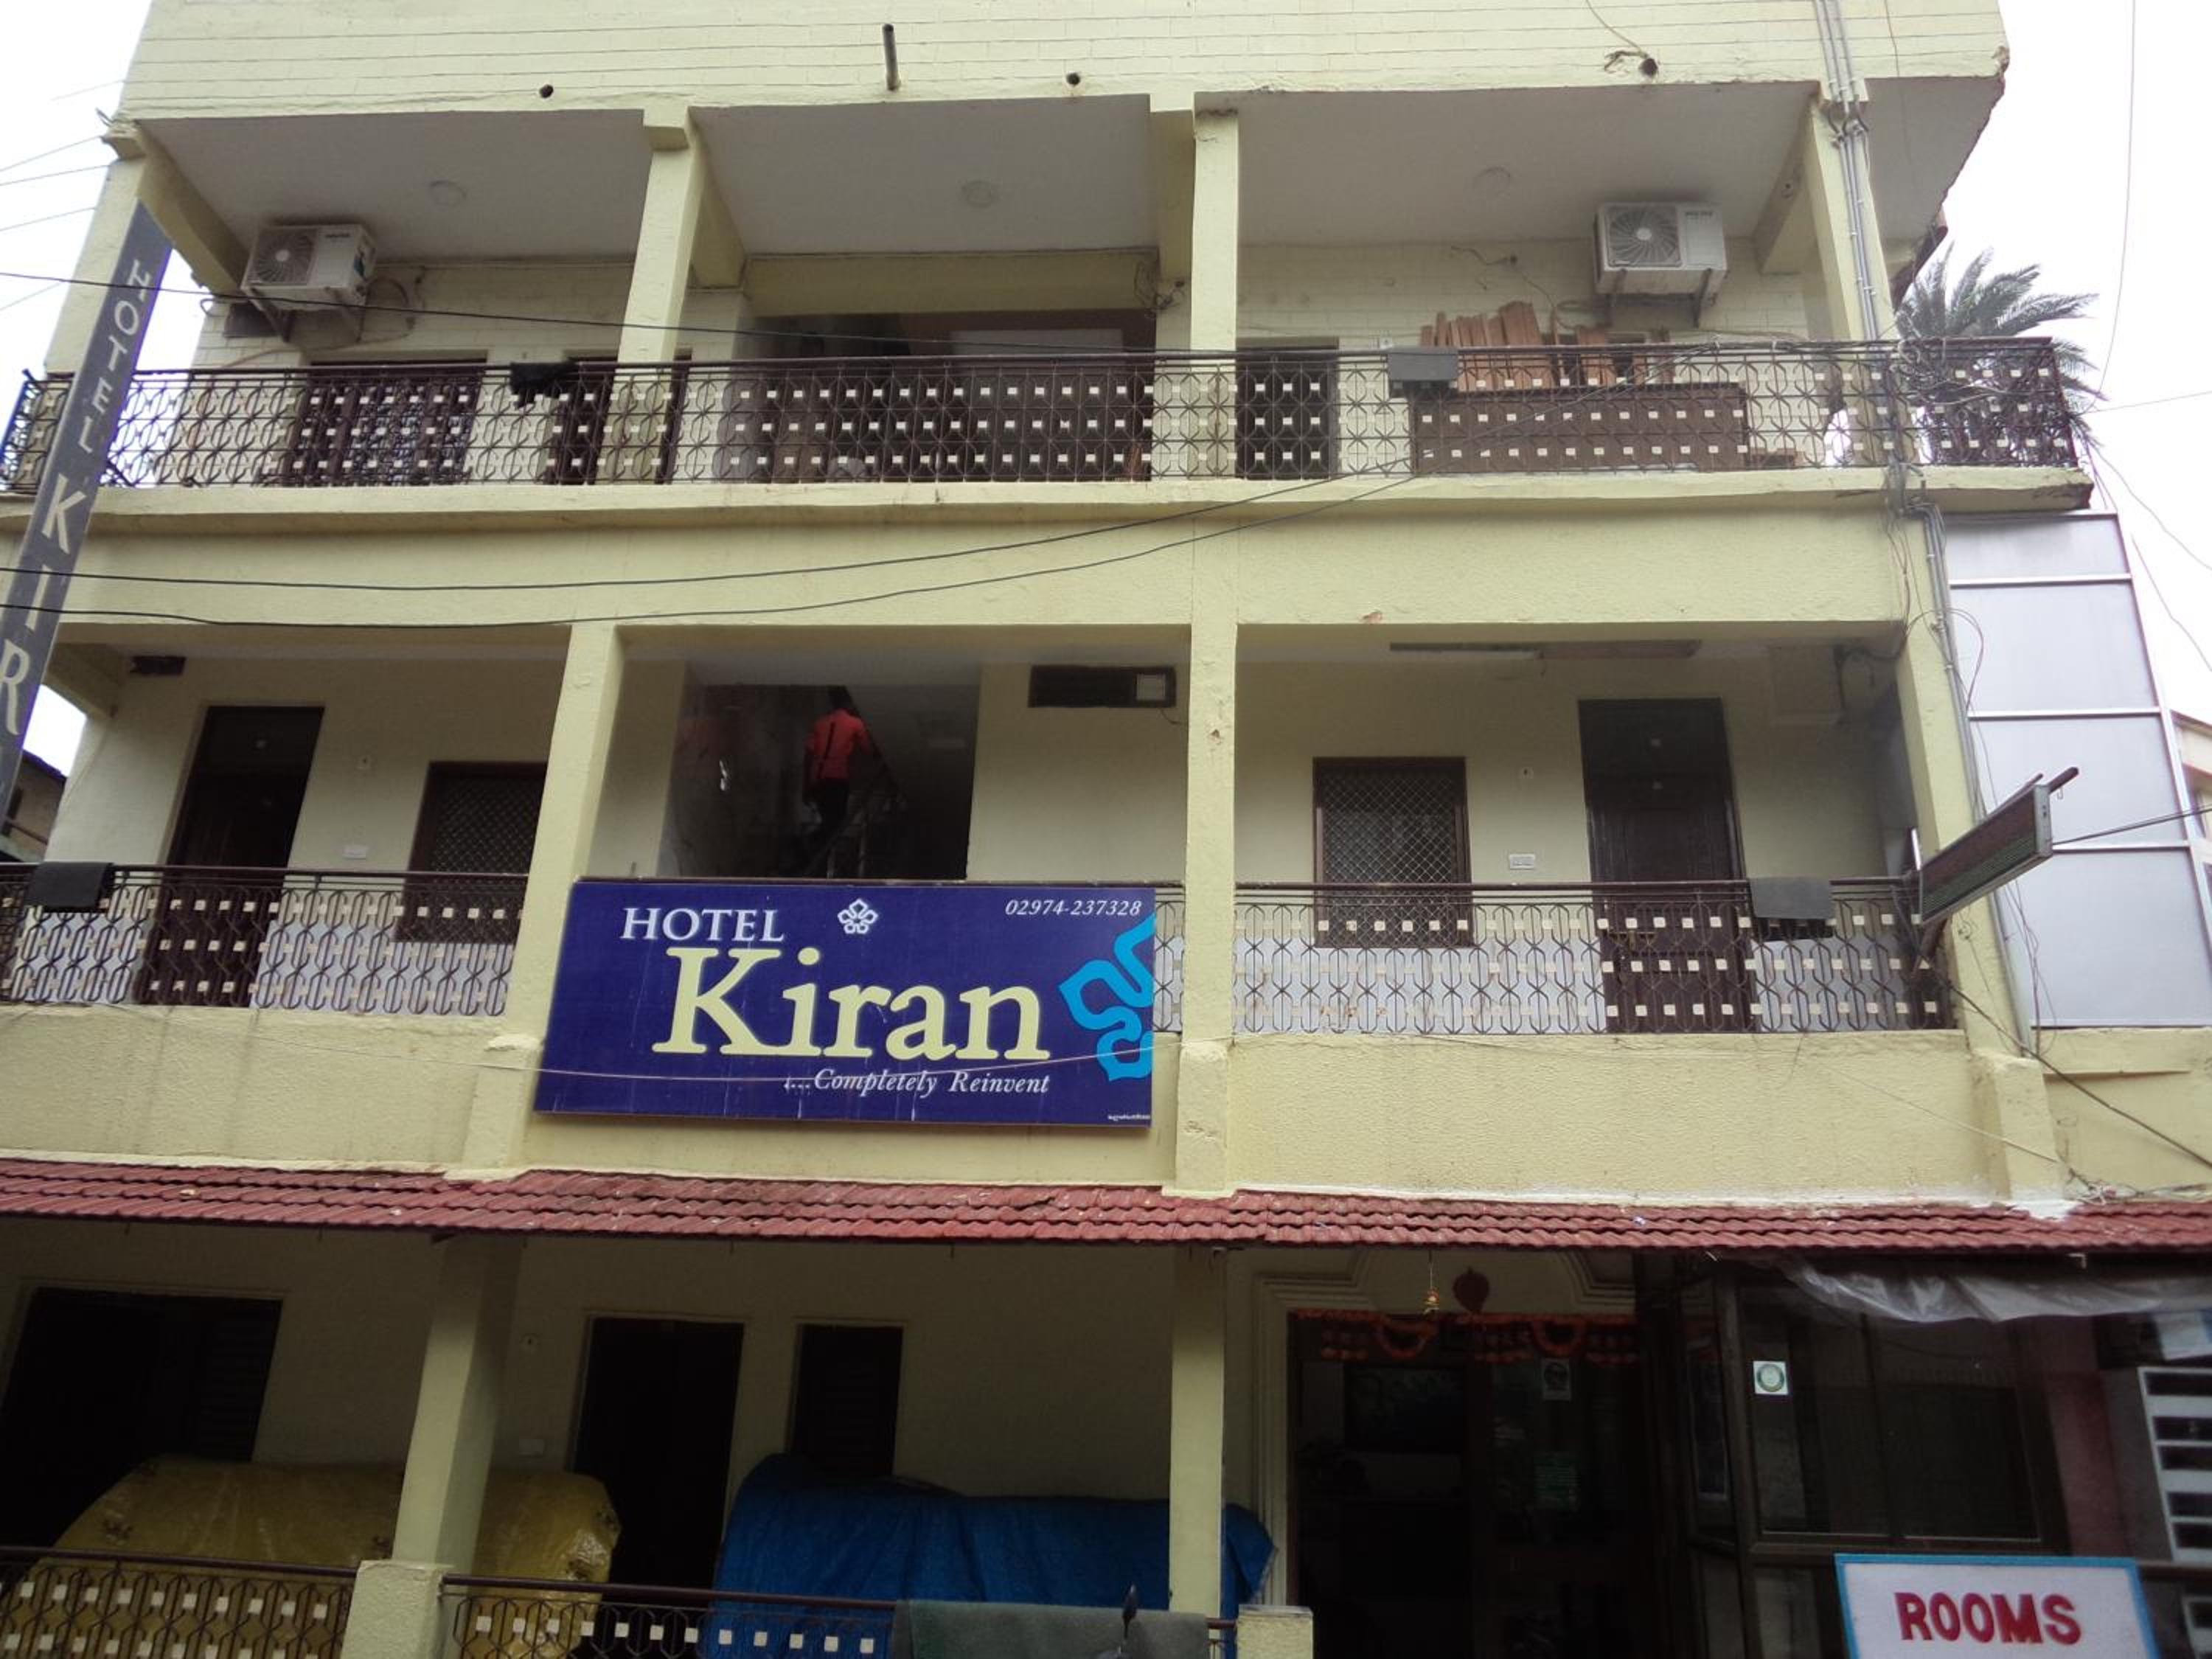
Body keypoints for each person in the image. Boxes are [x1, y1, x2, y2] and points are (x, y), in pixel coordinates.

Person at [804, 689, 875, 841]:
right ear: (849, 702)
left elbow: (809, 755)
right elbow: (869, 748)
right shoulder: (855, 723)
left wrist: (806, 785)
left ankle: (813, 845)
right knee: (836, 821)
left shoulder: (820, 723)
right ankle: (812, 843)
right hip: (837, 777)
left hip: (818, 777)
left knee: (828, 819)